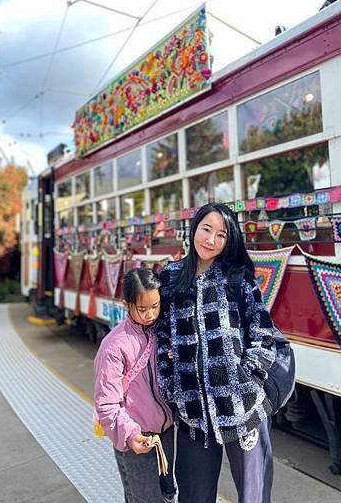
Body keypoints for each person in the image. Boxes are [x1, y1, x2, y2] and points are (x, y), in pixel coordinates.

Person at [157, 203, 277, 503]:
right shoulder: (169, 279)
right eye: (206, 229)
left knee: (254, 496)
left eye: (220, 235)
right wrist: (172, 385)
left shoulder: (238, 278)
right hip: (192, 415)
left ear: (229, 240)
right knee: (194, 497)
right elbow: (159, 338)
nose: (210, 240)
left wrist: (248, 378)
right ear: (194, 228)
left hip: (243, 409)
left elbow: (264, 333)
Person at [94, 268, 176, 503]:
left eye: (155, 306)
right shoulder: (114, 346)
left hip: (166, 433)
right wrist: (130, 435)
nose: (151, 314)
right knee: (144, 499)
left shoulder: (162, 333)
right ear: (126, 304)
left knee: (168, 494)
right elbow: (106, 404)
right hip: (136, 438)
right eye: (142, 309)